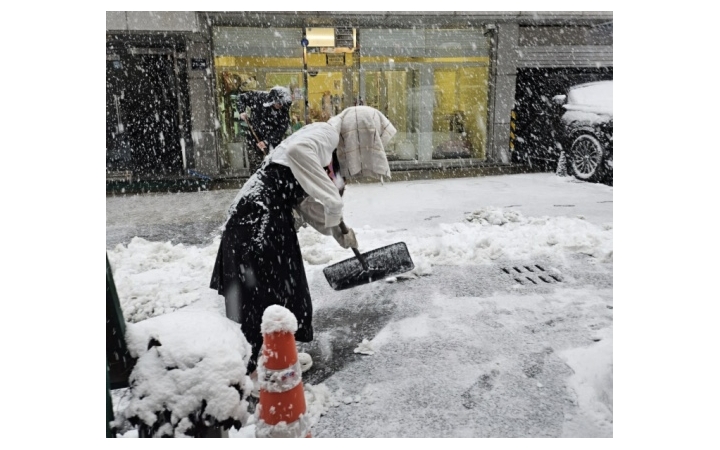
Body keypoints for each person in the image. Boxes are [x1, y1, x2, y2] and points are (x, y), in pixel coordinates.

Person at [209, 106, 397, 382]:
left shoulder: (327, 155)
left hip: (267, 213)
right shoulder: (326, 133)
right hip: (258, 214)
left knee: (278, 289)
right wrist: (333, 201)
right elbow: (298, 155)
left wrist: (339, 232)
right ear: (359, 134)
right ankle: (247, 371)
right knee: (260, 291)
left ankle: (269, 356)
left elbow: (306, 204)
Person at [236, 86, 292, 173]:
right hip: (254, 135)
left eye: (282, 104)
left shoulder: (284, 110)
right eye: (278, 103)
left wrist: (267, 141)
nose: (280, 106)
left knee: (273, 163)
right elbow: (241, 98)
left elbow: (281, 130)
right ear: (273, 100)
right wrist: (241, 111)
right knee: (255, 163)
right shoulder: (259, 97)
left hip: (272, 140)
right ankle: (256, 181)